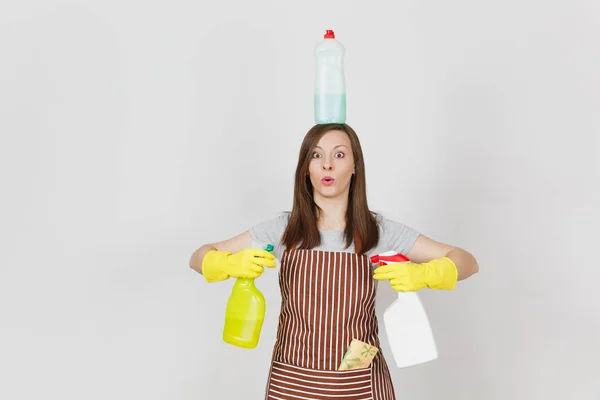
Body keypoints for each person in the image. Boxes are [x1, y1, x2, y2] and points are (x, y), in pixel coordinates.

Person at [189, 123, 479, 400]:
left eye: (339, 154)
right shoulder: (283, 230)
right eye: (317, 155)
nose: (327, 164)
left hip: (356, 384)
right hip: (292, 384)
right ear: (306, 169)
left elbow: (467, 261)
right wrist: (224, 265)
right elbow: (199, 255)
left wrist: (428, 273)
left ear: (355, 168)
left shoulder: (379, 231)